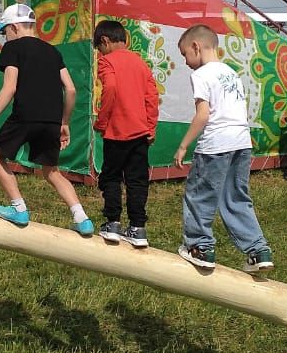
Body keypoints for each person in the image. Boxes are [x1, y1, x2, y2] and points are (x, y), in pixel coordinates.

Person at [0, 3, 94, 236]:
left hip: (25, 115)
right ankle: (82, 218)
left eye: (4, 31)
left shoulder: (13, 48)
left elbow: (9, 88)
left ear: (15, 27)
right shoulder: (53, 51)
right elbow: (70, 90)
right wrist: (65, 122)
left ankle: (18, 208)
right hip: (51, 119)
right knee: (52, 171)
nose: (4, 37)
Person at [173, 24, 273, 275]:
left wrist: (183, 146)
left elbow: (203, 115)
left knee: (199, 195)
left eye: (185, 54)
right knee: (236, 198)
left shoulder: (201, 75)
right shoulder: (231, 72)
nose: (186, 62)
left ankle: (199, 247)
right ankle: (258, 251)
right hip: (241, 142)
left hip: (216, 144)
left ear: (196, 46)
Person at [92, 19, 160, 248]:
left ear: (105, 41)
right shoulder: (140, 62)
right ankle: (138, 228)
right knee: (137, 181)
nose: (100, 53)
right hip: (140, 133)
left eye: (99, 48)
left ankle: (112, 223)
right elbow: (152, 96)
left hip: (116, 132)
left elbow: (109, 89)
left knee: (111, 177)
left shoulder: (107, 61)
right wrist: (151, 127)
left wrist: (102, 121)